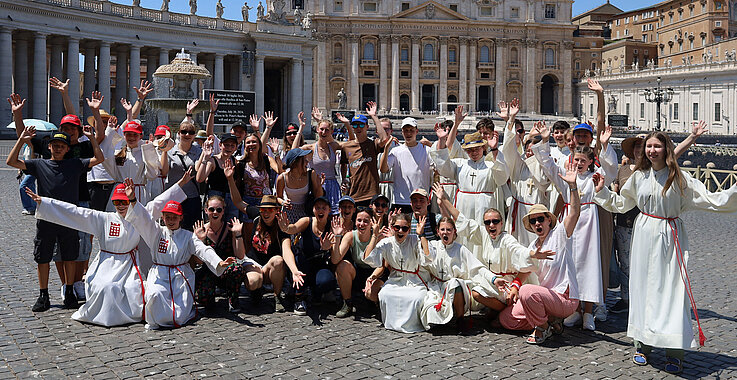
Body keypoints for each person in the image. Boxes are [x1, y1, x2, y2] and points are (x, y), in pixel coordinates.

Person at [592, 131, 737, 374]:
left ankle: (674, 350)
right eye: (648, 146)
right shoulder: (638, 176)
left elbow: (712, 200)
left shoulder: (680, 178)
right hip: (644, 234)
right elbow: (621, 204)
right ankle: (642, 344)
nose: (651, 151)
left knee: (671, 292)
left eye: (656, 146)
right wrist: (602, 191)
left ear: (666, 149)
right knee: (642, 291)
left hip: (670, 236)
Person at [26, 175, 188, 326]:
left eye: (124, 202)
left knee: (130, 289)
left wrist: (181, 183)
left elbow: (161, 201)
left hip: (128, 266)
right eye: (117, 203)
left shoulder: (139, 214)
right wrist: (45, 203)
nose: (121, 206)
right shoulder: (104, 219)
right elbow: (76, 212)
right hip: (105, 264)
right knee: (106, 287)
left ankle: (126, 315)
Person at [6, 126, 104, 311]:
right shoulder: (39, 164)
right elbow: (12, 162)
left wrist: (92, 138)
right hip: (46, 219)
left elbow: (99, 159)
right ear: (49, 147)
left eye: (62, 146)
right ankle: (43, 295)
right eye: (55, 145)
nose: (58, 148)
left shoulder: (75, 164)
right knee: (42, 257)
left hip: (68, 219)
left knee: (69, 257)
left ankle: (68, 291)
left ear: (67, 149)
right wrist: (21, 140)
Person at [530, 120, 613, 331]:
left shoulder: (596, 178)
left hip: (589, 221)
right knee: (570, 265)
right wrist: (545, 139)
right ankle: (573, 309)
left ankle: (588, 312)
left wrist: (605, 145)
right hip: (569, 221)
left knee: (589, 264)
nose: (579, 164)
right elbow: (547, 163)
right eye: (576, 160)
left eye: (583, 161)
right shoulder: (565, 177)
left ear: (590, 161)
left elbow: (610, 171)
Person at [499, 161, 582, 345]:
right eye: (534, 220)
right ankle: (549, 322)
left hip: (564, 298)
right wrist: (514, 285)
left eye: (540, 219)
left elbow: (575, 212)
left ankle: (543, 328)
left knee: (527, 292)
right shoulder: (533, 246)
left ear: (548, 221)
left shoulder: (559, 233)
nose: (537, 223)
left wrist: (573, 187)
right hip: (546, 298)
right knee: (507, 319)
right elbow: (525, 270)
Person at [126, 196, 237, 329]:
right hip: (159, 275)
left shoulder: (188, 236)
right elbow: (144, 219)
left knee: (180, 313)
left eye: (174, 217)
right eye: (168, 217)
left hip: (180, 277)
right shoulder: (156, 233)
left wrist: (219, 263)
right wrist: (133, 199)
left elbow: (203, 250)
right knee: (155, 294)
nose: (171, 221)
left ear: (181, 218)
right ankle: (156, 319)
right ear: (163, 217)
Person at [434, 183, 543, 317]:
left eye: (495, 221)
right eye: (487, 222)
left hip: (507, 284)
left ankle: (503, 311)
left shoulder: (506, 239)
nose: (491, 225)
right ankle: (502, 311)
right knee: (476, 292)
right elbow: (462, 220)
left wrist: (533, 253)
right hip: (493, 282)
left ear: (501, 223)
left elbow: (520, 252)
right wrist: (444, 199)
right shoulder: (483, 234)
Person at [431, 124, 508, 254]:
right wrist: (442, 140)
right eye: (470, 150)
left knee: (482, 236)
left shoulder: (490, 165)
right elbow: (443, 166)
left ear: (483, 148)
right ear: (466, 151)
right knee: (463, 234)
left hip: (485, 206)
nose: (473, 152)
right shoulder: (460, 164)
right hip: (463, 206)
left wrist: (494, 149)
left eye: (476, 149)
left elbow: (502, 177)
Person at [420, 216, 499, 333]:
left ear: (454, 232)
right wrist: (421, 235)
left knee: (454, 283)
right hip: (437, 288)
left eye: (449, 230)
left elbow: (478, 268)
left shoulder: (461, 249)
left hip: (457, 290)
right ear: (437, 231)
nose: (445, 233)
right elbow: (427, 257)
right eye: (442, 230)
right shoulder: (433, 245)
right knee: (432, 314)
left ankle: (460, 319)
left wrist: (493, 279)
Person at [362, 213, 431, 333]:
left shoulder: (415, 240)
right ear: (392, 227)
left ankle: (414, 324)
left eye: (404, 228)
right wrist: (374, 235)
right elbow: (369, 258)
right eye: (397, 227)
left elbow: (427, 257)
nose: (400, 231)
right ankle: (390, 322)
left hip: (415, 280)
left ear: (409, 230)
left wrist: (421, 234)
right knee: (385, 294)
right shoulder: (387, 242)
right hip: (395, 279)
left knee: (416, 298)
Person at [193, 196, 262, 313]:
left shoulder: (230, 228)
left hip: (228, 271)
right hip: (209, 271)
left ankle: (233, 300)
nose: (215, 213)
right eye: (211, 209)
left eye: (219, 210)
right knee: (206, 304)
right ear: (206, 210)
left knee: (237, 269)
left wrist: (238, 234)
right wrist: (201, 240)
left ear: (223, 211)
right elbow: (198, 262)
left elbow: (240, 256)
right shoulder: (200, 230)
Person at [499, 100, 550, 247]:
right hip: (519, 210)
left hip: (537, 215)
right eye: (528, 149)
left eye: (534, 150)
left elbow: (542, 179)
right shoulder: (519, 165)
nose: (530, 152)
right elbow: (509, 149)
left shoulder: (544, 168)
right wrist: (510, 120)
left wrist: (545, 140)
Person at [277, 197, 337, 315]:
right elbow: (292, 228)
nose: (320, 210)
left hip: (320, 266)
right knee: (300, 265)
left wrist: (326, 248)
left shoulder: (332, 226)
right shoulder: (307, 221)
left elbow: (335, 255)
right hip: (302, 263)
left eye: (323, 208)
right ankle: (299, 298)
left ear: (329, 210)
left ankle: (317, 294)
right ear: (313, 210)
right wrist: (285, 227)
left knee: (326, 281)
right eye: (317, 207)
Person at [331, 207, 385, 318]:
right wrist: (337, 237)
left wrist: (372, 278)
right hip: (358, 273)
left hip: (375, 273)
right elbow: (335, 259)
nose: (362, 224)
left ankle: (376, 303)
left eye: (366, 221)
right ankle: (348, 303)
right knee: (342, 266)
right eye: (359, 220)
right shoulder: (350, 236)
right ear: (355, 222)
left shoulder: (379, 237)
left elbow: (382, 265)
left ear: (372, 222)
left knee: (372, 294)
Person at [293, 108, 344, 214]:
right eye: (321, 129)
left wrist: (347, 124)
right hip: (316, 186)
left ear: (331, 132)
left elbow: (351, 144)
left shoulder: (333, 146)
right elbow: (294, 151)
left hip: (333, 185)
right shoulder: (311, 148)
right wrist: (301, 128)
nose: (324, 132)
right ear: (317, 129)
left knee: (334, 216)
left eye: (327, 130)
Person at [99, 117, 160, 205]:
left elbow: (152, 175)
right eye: (128, 134)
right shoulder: (117, 153)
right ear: (124, 135)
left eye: (135, 134)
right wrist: (110, 132)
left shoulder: (145, 151)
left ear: (141, 136)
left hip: (138, 194)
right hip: (120, 192)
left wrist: (149, 150)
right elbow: (104, 153)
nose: (131, 137)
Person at [339, 102, 389, 207]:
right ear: (352, 127)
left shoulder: (373, 144)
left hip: (372, 195)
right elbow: (343, 164)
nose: (358, 128)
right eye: (355, 125)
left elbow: (384, 139)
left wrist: (374, 116)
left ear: (367, 126)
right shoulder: (346, 147)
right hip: (354, 194)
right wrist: (344, 178)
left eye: (361, 125)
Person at [380, 117, 433, 213]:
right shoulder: (396, 151)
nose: (408, 133)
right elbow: (383, 169)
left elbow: (438, 167)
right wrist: (386, 148)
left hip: (420, 201)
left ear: (416, 131)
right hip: (400, 200)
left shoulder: (426, 150)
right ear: (402, 132)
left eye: (411, 130)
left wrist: (432, 147)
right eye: (406, 131)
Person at [196, 133, 241, 221]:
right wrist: (205, 158)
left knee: (231, 226)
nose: (229, 148)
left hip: (231, 198)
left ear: (236, 148)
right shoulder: (213, 161)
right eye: (226, 145)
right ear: (220, 145)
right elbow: (200, 178)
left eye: (232, 146)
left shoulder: (235, 162)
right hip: (215, 198)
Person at [275, 148, 325, 223]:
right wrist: (283, 202)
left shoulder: (311, 174)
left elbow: (318, 197)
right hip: (289, 212)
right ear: (295, 163)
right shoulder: (282, 178)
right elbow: (278, 197)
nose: (307, 162)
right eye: (304, 160)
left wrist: (319, 185)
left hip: (306, 211)